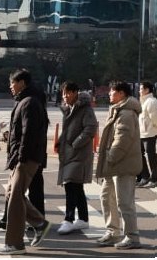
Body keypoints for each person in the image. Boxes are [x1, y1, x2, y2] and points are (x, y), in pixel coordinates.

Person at [0, 68, 53, 256]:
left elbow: (29, 134)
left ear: (22, 83)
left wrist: (21, 157)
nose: (10, 86)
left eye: (12, 82)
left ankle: (15, 244)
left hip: (26, 157)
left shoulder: (29, 102)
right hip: (23, 156)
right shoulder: (26, 101)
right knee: (11, 193)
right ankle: (40, 223)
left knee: (15, 198)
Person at [95, 80, 143, 250]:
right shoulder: (118, 110)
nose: (109, 94)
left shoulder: (126, 113)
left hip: (122, 164)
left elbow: (122, 140)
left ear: (122, 93)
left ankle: (132, 236)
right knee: (106, 198)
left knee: (124, 202)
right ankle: (113, 232)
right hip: (113, 165)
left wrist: (110, 157)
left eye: (112, 91)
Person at [56, 81, 97, 234]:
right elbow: (67, 130)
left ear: (75, 93)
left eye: (68, 93)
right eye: (63, 93)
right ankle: (83, 219)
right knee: (76, 186)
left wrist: (76, 143)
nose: (65, 96)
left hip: (79, 153)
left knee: (71, 185)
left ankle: (68, 219)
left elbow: (91, 128)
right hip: (69, 152)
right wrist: (60, 142)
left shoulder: (85, 109)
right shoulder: (69, 108)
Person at [136, 81, 157, 188]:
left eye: (141, 89)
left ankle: (154, 179)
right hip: (142, 133)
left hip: (150, 133)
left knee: (151, 155)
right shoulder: (144, 101)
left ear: (147, 90)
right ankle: (145, 176)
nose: (139, 91)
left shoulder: (152, 102)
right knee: (140, 154)